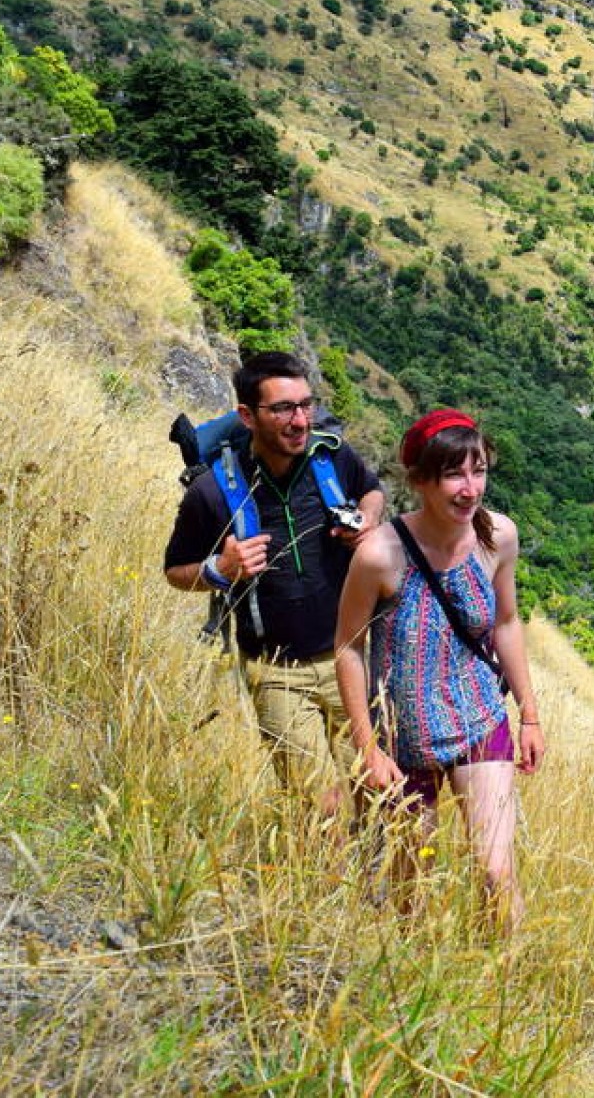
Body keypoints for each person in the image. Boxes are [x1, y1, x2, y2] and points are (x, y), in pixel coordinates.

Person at [334, 409, 544, 931]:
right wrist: (368, 748)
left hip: (478, 720)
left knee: (497, 873)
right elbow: (348, 648)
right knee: (411, 890)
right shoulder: (381, 555)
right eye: (454, 474)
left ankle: (505, 992)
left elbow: (507, 623)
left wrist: (530, 714)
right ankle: (419, 986)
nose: (470, 489)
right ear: (421, 481)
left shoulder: (499, 537)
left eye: (479, 471)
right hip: (403, 742)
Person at [163, 351, 386, 820]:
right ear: (247, 416)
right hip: (276, 671)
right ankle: (326, 889)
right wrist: (219, 569)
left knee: (376, 799)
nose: (300, 420)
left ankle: (372, 893)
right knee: (323, 810)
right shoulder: (212, 491)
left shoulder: (331, 457)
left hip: (352, 656)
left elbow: (371, 489)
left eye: (305, 405)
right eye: (283, 408)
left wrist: (367, 520)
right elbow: (175, 571)